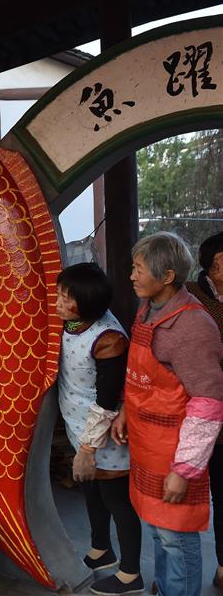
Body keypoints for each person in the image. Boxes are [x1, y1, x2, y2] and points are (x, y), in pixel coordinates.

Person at [112, 231, 223, 596]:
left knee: (177, 536)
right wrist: (126, 410)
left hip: (175, 452)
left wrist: (184, 470)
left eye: (139, 268)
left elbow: (208, 404)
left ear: (168, 276)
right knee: (159, 530)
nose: (132, 275)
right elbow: (140, 375)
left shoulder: (194, 326)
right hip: (148, 446)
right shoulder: (149, 309)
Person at [56, 263, 142, 595]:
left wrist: (89, 449)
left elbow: (107, 402)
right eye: (60, 293)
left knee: (117, 501)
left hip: (104, 436)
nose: (58, 302)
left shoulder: (107, 338)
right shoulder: (73, 322)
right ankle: (100, 548)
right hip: (79, 427)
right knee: (91, 490)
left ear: (88, 303)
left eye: (67, 297)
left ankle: (131, 572)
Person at [185, 231, 223, 589]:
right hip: (197, 413)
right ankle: (181, 573)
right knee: (195, 493)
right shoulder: (192, 299)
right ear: (210, 266)